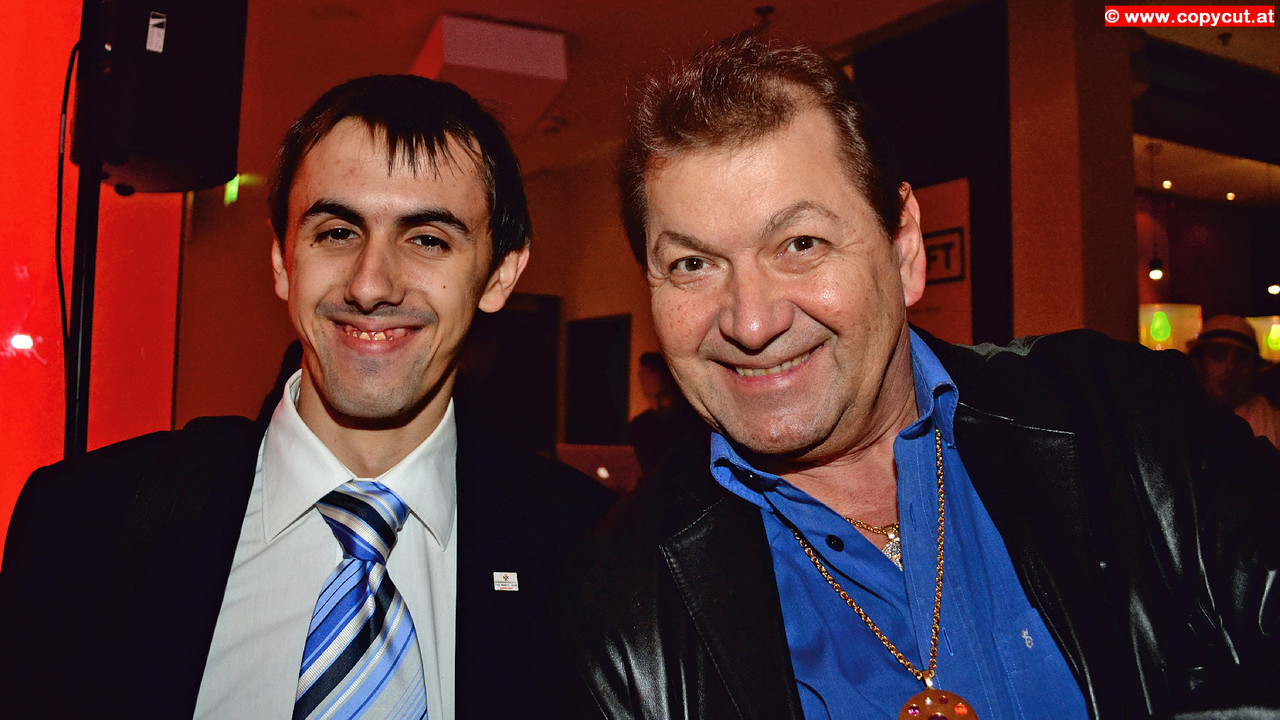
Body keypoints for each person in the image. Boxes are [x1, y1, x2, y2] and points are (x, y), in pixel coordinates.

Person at [559, 36, 1280, 719]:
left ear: (904, 247)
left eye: (801, 243)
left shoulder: (1125, 417)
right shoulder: (618, 601)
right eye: (692, 264)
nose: (751, 323)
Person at [0, 75, 614, 719]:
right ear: (281, 260)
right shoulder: (84, 524)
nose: (370, 285)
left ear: (499, 275)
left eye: (428, 239)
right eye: (338, 232)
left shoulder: (588, 555)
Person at [1190, 314, 1280, 447]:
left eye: (1242, 358)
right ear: (1198, 362)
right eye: (1218, 355)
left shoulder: (1275, 426)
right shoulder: (1177, 420)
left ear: (1254, 369)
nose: (1230, 366)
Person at [627, 351, 706, 480]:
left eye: (662, 395)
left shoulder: (694, 422)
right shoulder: (640, 425)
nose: (655, 405)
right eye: (648, 396)